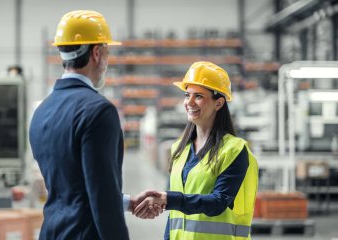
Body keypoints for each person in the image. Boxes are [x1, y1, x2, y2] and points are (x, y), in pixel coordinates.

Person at [29, 10, 160, 240]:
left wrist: (129, 203)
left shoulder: (42, 111)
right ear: (97, 53)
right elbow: (102, 198)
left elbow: (74, 187)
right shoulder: (99, 111)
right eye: (107, 52)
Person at [134, 61, 259, 240]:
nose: (189, 102)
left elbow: (219, 202)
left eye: (198, 96)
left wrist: (168, 199)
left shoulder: (234, 150)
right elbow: (174, 214)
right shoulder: (179, 149)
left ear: (218, 103)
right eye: (187, 95)